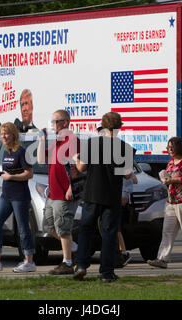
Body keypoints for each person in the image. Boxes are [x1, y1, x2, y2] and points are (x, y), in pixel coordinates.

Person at [73, 112, 133, 283]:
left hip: (92, 193)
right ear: (120, 127)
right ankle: (106, 272)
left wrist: (76, 159)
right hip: (112, 196)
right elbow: (128, 174)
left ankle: (81, 265)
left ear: (103, 125)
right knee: (109, 234)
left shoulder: (92, 143)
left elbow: (82, 168)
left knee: (86, 230)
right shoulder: (124, 147)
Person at [0, 122, 36, 273]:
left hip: (20, 196)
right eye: (2, 133)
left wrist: (12, 177)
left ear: (13, 135)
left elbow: (29, 173)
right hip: (6, 195)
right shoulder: (6, 152)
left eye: (6, 133)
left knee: (23, 228)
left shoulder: (21, 152)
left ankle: (29, 261)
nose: (3, 136)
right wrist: (7, 177)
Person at [148, 137, 182, 269]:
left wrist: (172, 180)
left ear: (179, 147)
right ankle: (162, 259)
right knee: (167, 231)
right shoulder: (171, 161)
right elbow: (171, 177)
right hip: (171, 201)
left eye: (171, 147)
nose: (169, 150)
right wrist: (166, 179)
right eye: (168, 148)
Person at [37, 110, 80, 275]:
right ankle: (75, 249)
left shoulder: (72, 140)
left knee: (63, 228)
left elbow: (77, 166)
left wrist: (71, 187)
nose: (52, 125)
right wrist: (42, 140)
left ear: (64, 123)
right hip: (53, 193)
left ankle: (67, 262)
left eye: (55, 122)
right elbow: (42, 159)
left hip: (64, 193)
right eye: (52, 121)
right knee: (48, 226)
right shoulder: (58, 141)